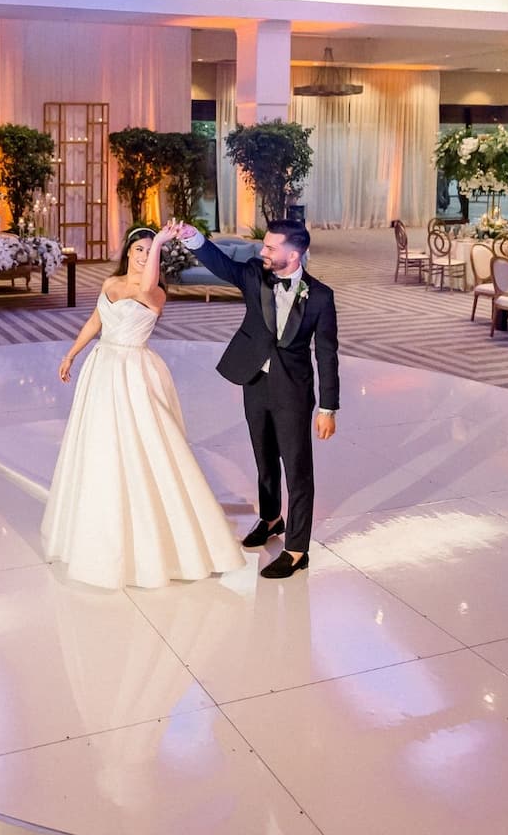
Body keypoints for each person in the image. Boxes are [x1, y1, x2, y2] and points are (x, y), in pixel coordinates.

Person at [42, 225, 246, 590]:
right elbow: (95, 321)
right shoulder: (111, 283)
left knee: (145, 445)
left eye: (149, 250)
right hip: (102, 368)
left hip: (134, 370)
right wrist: (71, 353)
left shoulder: (155, 293)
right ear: (128, 251)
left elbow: (146, 284)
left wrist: (163, 243)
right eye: (138, 249)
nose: (142, 255)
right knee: (101, 446)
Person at [177, 219, 339, 579]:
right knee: (264, 460)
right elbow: (223, 266)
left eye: (270, 247)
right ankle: (271, 519)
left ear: (293, 254)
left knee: (297, 470)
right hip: (255, 381)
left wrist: (328, 407)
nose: (262, 252)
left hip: (294, 390)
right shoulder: (254, 275)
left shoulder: (321, 297)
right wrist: (193, 238)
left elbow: (326, 354)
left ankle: (297, 550)